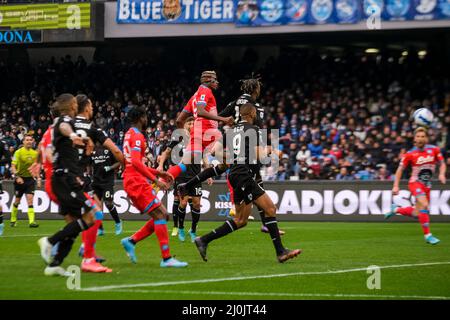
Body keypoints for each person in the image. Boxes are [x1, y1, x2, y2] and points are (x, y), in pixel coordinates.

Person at [190, 104, 302, 263]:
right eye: (256, 113)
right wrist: (272, 150)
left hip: (235, 174)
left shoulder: (231, 130)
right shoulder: (254, 129)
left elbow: (215, 151)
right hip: (244, 175)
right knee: (270, 208)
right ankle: (281, 252)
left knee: (241, 220)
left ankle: (203, 240)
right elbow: (260, 155)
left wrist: (232, 159)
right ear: (251, 113)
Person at [37, 93, 107, 276]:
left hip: (65, 178)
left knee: (79, 224)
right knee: (92, 215)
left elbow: (49, 142)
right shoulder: (64, 120)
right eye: (75, 103)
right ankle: (50, 242)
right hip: (65, 180)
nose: (77, 106)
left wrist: (37, 161)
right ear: (70, 105)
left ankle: (54, 265)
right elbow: (65, 127)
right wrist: (75, 135)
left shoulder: (58, 124)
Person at [120, 106, 188, 267]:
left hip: (134, 179)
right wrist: (155, 179)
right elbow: (136, 162)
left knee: (163, 215)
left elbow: (132, 163)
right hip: (136, 181)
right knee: (161, 214)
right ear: (141, 117)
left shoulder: (129, 134)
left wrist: (160, 174)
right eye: (145, 117)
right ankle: (166, 258)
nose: (146, 119)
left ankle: (132, 241)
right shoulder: (137, 136)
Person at [219, 76, 285, 235]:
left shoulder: (233, 103)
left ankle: (263, 222)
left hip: (233, 142)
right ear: (256, 89)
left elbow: (221, 117)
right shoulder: (256, 107)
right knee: (255, 180)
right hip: (249, 146)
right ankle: (266, 222)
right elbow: (258, 128)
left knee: (254, 182)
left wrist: (232, 126)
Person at [74, 94, 124, 272]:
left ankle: (89, 249)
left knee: (97, 209)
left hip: (97, 179)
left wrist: (110, 169)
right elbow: (118, 153)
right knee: (92, 212)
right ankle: (56, 244)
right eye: (92, 106)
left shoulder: (65, 126)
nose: (93, 109)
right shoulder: (92, 132)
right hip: (83, 179)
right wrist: (127, 164)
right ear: (86, 107)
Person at [165, 71, 233, 181]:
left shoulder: (194, 97)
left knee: (183, 164)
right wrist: (224, 119)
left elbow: (179, 120)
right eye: (215, 79)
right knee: (234, 158)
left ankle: (161, 181)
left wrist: (185, 135)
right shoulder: (206, 91)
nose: (217, 82)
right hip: (208, 132)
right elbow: (200, 111)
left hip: (196, 133)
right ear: (207, 80)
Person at [385, 127, 446, 245]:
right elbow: (400, 169)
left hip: (427, 185)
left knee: (416, 213)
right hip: (415, 183)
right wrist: (396, 186)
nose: (420, 139)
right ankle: (428, 236)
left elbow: (442, 163)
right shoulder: (410, 154)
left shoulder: (434, 150)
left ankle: (396, 209)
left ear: (426, 138)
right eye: (418, 136)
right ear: (414, 139)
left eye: (423, 136)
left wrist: (442, 174)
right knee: (425, 204)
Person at [158, 116, 211, 242]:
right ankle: (180, 228)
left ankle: (193, 230)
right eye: (189, 123)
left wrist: (209, 173)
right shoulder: (178, 138)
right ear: (184, 125)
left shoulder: (199, 140)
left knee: (197, 204)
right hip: (182, 176)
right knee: (183, 202)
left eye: (193, 123)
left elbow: (204, 158)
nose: (191, 125)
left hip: (196, 175)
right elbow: (166, 152)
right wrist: (161, 165)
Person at [91, 142, 122, 235]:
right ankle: (100, 229)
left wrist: (110, 167)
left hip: (107, 181)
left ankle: (118, 222)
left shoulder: (109, 149)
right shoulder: (92, 149)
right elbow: (89, 164)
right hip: (96, 181)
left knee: (108, 203)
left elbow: (119, 161)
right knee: (96, 206)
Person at [10, 134, 40, 228]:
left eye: (30, 140)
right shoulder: (18, 152)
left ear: (32, 141)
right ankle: (13, 219)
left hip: (30, 180)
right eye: (27, 140)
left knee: (30, 200)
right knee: (17, 201)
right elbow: (13, 166)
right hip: (20, 179)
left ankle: (31, 222)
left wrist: (38, 178)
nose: (29, 141)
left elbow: (36, 167)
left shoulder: (35, 153)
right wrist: (17, 177)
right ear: (23, 142)